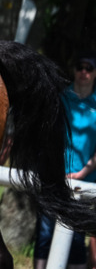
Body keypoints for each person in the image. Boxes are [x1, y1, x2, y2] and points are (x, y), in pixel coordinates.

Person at [34, 50, 96, 269]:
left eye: (89, 68)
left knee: (77, 240)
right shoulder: (61, 99)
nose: (83, 72)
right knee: (44, 234)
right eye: (80, 67)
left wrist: (83, 172)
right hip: (54, 178)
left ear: (95, 73)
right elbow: (47, 135)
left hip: (83, 183)